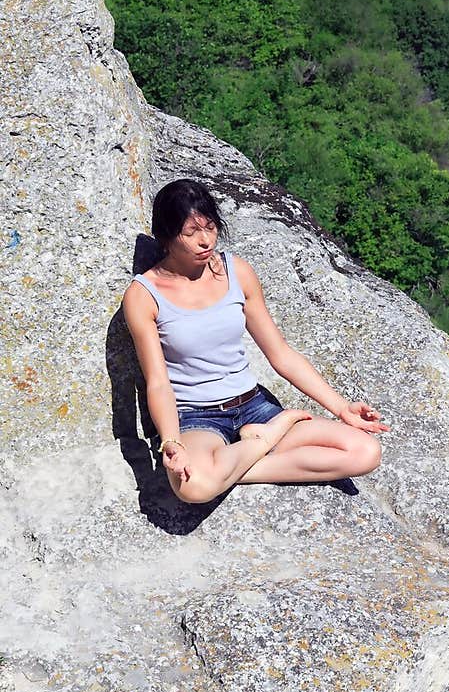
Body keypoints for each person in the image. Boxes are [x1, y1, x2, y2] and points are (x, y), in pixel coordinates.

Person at [123, 178, 389, 505]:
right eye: (190, 233)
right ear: (165, 236)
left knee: (365, 452)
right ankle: (266, 440)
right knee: (192, 488)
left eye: (210, 228)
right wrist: (172, 442)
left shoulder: (238, 272)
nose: (205, 241)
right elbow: (159, 383)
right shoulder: (143, 295)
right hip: (197, 417)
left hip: (254, 407)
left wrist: (341, 407)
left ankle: (239, 458)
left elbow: (280, 353)